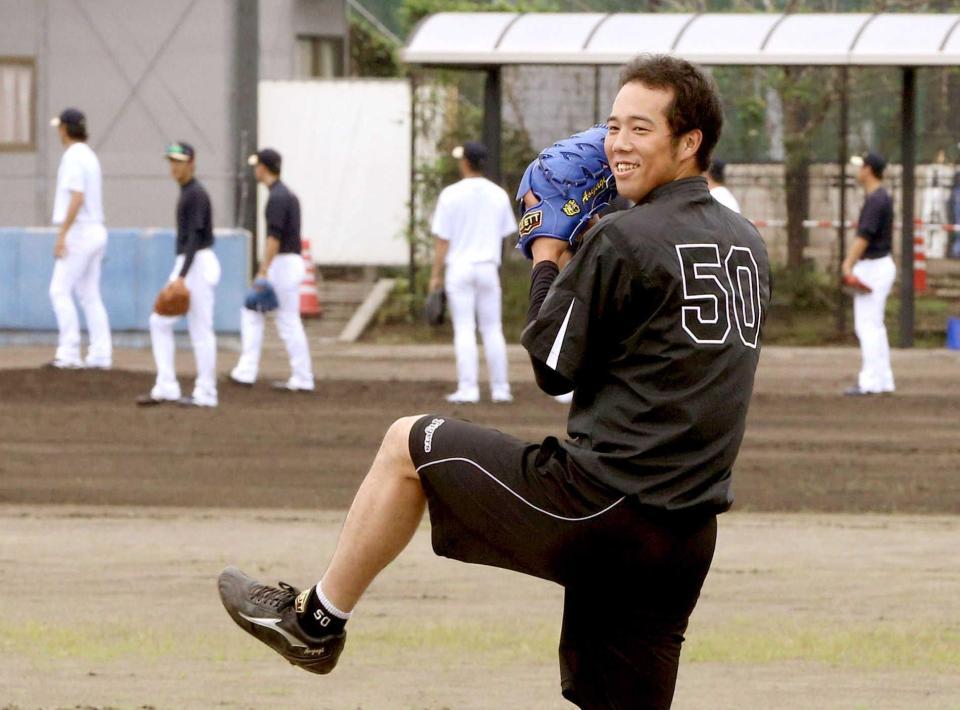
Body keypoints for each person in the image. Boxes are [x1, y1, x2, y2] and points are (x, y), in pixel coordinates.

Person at [218, 54, 771, 709]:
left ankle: (315, 624)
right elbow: (648, 352)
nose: (618, 144)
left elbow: (551, 364)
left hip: (602, 507)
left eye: (640, 129)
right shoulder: (745, 242)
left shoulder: (627, 237)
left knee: (408, 443)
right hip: (685, 536)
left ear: (689, 142)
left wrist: (549, 251)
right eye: (614, 126)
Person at [428, 141, 517, 404]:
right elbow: (505, 236)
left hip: (460, 268)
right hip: (488, 266)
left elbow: (442, 240)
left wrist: (435, 274)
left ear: (465, 162)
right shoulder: (498, 194)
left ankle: (469, 388)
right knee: (492, 329)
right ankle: (501, 389)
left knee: (465, 329)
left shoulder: (451, 194)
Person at [137, 142, 221, 408]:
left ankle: (206, 392)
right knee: (159, 321)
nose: (174, 166)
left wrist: (182, 275)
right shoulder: (187, 192)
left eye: (179, 161)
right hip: (190, 261)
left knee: (200, 329)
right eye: (171, 161)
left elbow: (196, 235)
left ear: (192, 163)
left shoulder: (195, 194)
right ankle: (167, 385)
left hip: (196, 261)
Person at [229, 148, 314, 392]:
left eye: (257, 166)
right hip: (290, 262)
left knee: (267, 315)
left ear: (264, 168)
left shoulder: (277, 197)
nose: (255, 170)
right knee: (266, 315)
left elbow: (274, 238)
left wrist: (263, 270)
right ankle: (294, 375)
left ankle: (294, 376)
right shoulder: (288, 195)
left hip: (282, 263)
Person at [47, 108, 112, 369]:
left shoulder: (73, 156)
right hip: (96, 229)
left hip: (81, 231)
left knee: (59, 290)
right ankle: (100, 354)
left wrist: (62, 235)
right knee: (89, 294)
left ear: (64, 129)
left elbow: (77, 196)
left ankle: (69, 351)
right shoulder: (90, 156)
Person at [842, 152, 896, 396]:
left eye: (861, 166)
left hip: (873, 266)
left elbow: (864, 236)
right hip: (878, 265)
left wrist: (848, 264)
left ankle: (871, 381)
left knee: (867, 326)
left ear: (869, 169)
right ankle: (883, 379)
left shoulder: (876, 199)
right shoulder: (881, 197)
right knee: (874, 325)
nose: (858, 170)